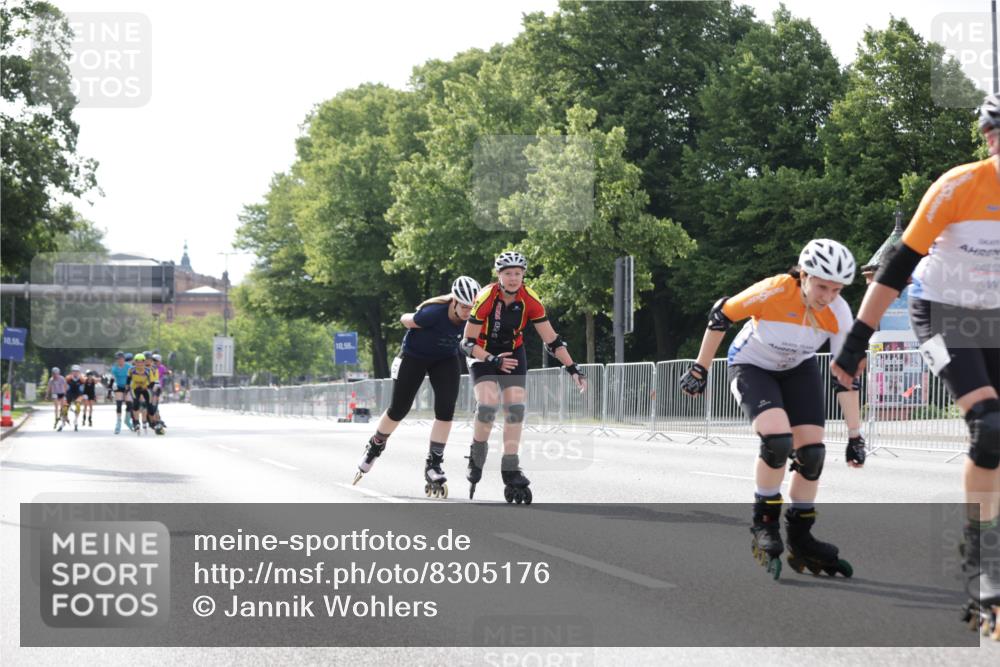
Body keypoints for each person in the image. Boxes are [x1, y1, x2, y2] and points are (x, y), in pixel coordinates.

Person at [832, 93, 1000, 634]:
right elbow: (897, 267)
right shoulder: (959, 186)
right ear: (989, 140)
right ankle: (981, 562)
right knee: (990, 428)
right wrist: (857, 341)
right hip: (942, 312)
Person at [680, 239, 863, 580]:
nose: (828, 296)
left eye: (837, 289)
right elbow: (721, 314)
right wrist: (700, 369)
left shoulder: (838, 312)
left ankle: (801, 537)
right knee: (778, 441)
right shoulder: (775, 290)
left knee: (813, 453)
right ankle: (763, 522)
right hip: (753, 365)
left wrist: (855, 435)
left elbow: (846, 378)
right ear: (803, 275)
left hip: (798, 370)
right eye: (822, 286)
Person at [461, 251, 586, 503]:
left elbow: (552, 340)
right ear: (499, 276)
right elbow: (466, 343)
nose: (513, 278)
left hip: (513, 352)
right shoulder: (485, 298)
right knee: (487, 406)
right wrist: (492, 359)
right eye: (508, 274)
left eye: (518, 273)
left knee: (515, 409)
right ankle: (477, 454)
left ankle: (510, 466)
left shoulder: (530, 300)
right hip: (482, 353)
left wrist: (573, 368)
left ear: (523, 275)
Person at [354, 276, 482, 498]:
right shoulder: (433, 313)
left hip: (445, 359)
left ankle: (433, 463)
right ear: (453, 301)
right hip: (414, 356)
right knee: (399, 408)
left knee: (446, 410)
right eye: (463, 307)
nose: (467, 313)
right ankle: (376, 444)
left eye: (471, 308)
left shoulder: (475, 317)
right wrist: (411, 317)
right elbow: (406, 320)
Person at [127, 353, 152, 434]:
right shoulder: (131, 370)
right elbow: (128, 380)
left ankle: (145, 421)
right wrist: (127, 388)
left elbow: (151, 383)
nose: (139, 364)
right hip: (135, 388)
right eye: (138, 362)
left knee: (148, 404)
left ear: (144, 362)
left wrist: (147, 386)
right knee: (136, 404)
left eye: (141, 362)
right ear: (135, 362)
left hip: (144, 388)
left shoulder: (148, 370)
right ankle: (137, 422)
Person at [109, 352, 131, 434]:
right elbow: (112, 378)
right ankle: (118, 422)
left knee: (129, 403)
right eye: (118, 359)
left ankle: (127, 420)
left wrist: (129, 385)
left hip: (128, 386)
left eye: (121, 358)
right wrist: (109, 389)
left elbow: (132, 376)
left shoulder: (129, 367)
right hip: (119, 386)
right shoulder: (114, 368)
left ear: (124, 359)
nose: (120, 360)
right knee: (119, 404)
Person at [64, 365, 86, 432]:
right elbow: (64, 387)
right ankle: (65, 419)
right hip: (69, 394)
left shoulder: (82, 379)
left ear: (79, 372)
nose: (75, 373)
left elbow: (85, 388)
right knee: (64, 409)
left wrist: (85, 395)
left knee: (78, 406)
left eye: (77, 371)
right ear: (72, 372)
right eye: (74, 371)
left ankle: (76, 420)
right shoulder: (68, 378)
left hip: (78, 394)